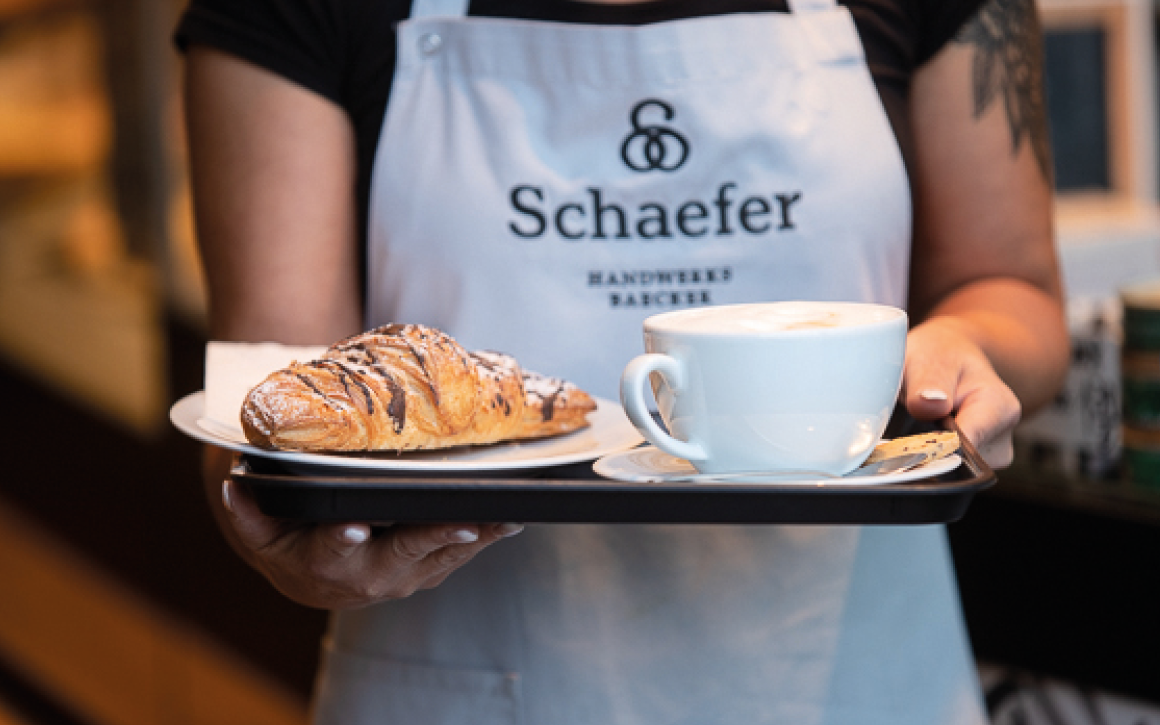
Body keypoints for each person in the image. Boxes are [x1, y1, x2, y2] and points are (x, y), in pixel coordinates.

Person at [176, 0, 1069, 721]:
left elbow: (1012, 286)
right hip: (460, 681)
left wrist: (966, 349)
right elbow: (274, 403)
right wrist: (294, 537)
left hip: (862, 677)